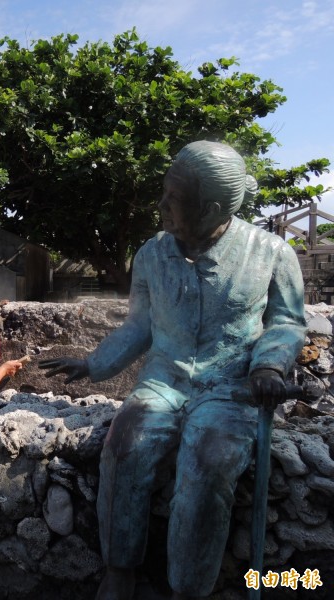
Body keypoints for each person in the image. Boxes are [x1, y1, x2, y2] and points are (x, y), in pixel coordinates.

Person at [39, 141, 306, 599]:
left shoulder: (271, 253)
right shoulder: (150, 255)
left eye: (172, 198)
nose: (161, 205)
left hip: (231, 387)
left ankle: (188, 588)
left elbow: (286, 321)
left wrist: (269, 366)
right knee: (123, 448)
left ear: (212, 208)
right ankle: (119, 569)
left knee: (208, 467)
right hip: (164, 380)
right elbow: (141, 324)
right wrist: (94, 363)